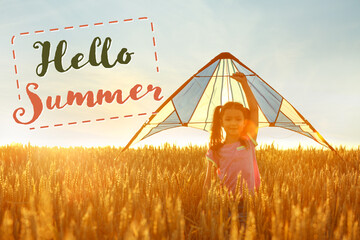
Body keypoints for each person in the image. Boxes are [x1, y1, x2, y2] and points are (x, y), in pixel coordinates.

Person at [202, 72, 261, 228]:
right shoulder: (215, 150)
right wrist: (207, 204)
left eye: (238, 119)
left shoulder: (248, 142)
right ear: (221, 122)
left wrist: (244, 84)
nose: (233, 123)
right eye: (228, 119)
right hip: (224, 204)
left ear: (244, 122)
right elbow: (208, 181)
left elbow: (254, 109)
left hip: (248, 204)